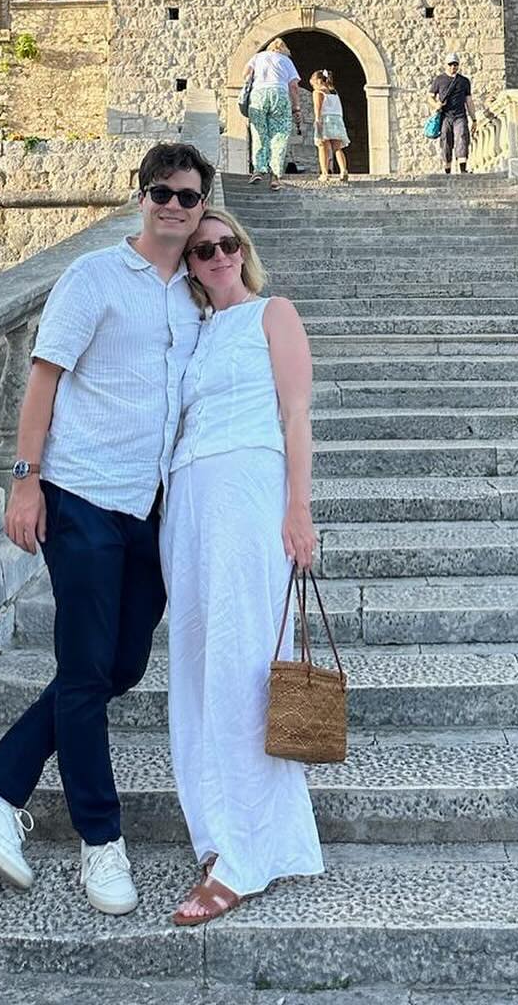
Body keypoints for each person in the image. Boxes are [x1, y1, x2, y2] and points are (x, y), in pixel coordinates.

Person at [0, 141, 213, 915]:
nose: (171, 204)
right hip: (83, 496)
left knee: (117, 666)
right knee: (89, 670)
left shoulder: (193, 297)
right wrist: (25, 484)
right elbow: (44, 378)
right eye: (159, 191)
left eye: (186, 196)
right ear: (141, 196)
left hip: (152, 510)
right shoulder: (94, 276)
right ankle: (103, 844)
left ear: (201, 206)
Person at [163, 207, 322, 925]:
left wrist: (299, 511)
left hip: (250, 492)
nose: (219, 254)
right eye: (204, 249)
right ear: (190, 264)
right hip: (190, 501)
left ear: (243, 251)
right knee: (197, 666)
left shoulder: (273, 312)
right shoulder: (193, 332)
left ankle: (247, 854)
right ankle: (221, 832)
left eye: (229, 244)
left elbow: (296, 415)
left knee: (242, 663)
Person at [244, 37, 303, 190]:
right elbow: (294, 86)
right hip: (279, 94)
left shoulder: (258, 57)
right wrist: (296, 108)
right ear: (284, 50)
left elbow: (246, 74)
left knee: (259, 133)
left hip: (258, 95)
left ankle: (258, 169)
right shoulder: (286, 61)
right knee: (279, 135)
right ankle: (275, 176)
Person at [429, 53, 476, 175]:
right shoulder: (439, 80)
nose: (453, 67)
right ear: (446, 65)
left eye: (455, 64)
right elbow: (429, 97)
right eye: (450, 64)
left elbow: (469, 101)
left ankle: (462, 169)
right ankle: (447, 170)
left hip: (460, 115)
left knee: (462, 138)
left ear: (458, 65)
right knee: (446, 142)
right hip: (445, 116)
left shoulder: (464, 81)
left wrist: (474, 119)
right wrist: (436, 105)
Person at [310, 69, 350, 182]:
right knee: (337, 148)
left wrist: (317, 120)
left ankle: (324, 173)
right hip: (337, 120)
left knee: (322, 147)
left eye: (313, 81)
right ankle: (343, 170)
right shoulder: (334, 92)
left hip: (325, 119)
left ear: (318, 81)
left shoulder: (318, 92)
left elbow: (317, 107)